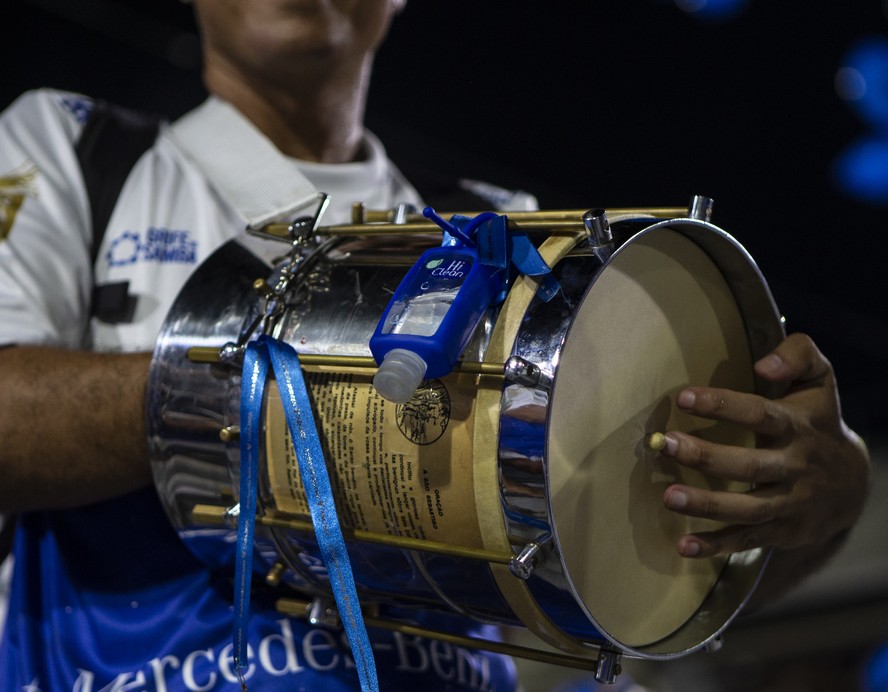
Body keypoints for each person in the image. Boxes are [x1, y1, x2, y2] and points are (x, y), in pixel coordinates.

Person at [0, 1, 870, 690]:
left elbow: (629, 571)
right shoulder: (74, 148)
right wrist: (303, 383)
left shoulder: (503, 232)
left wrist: (820, 502)